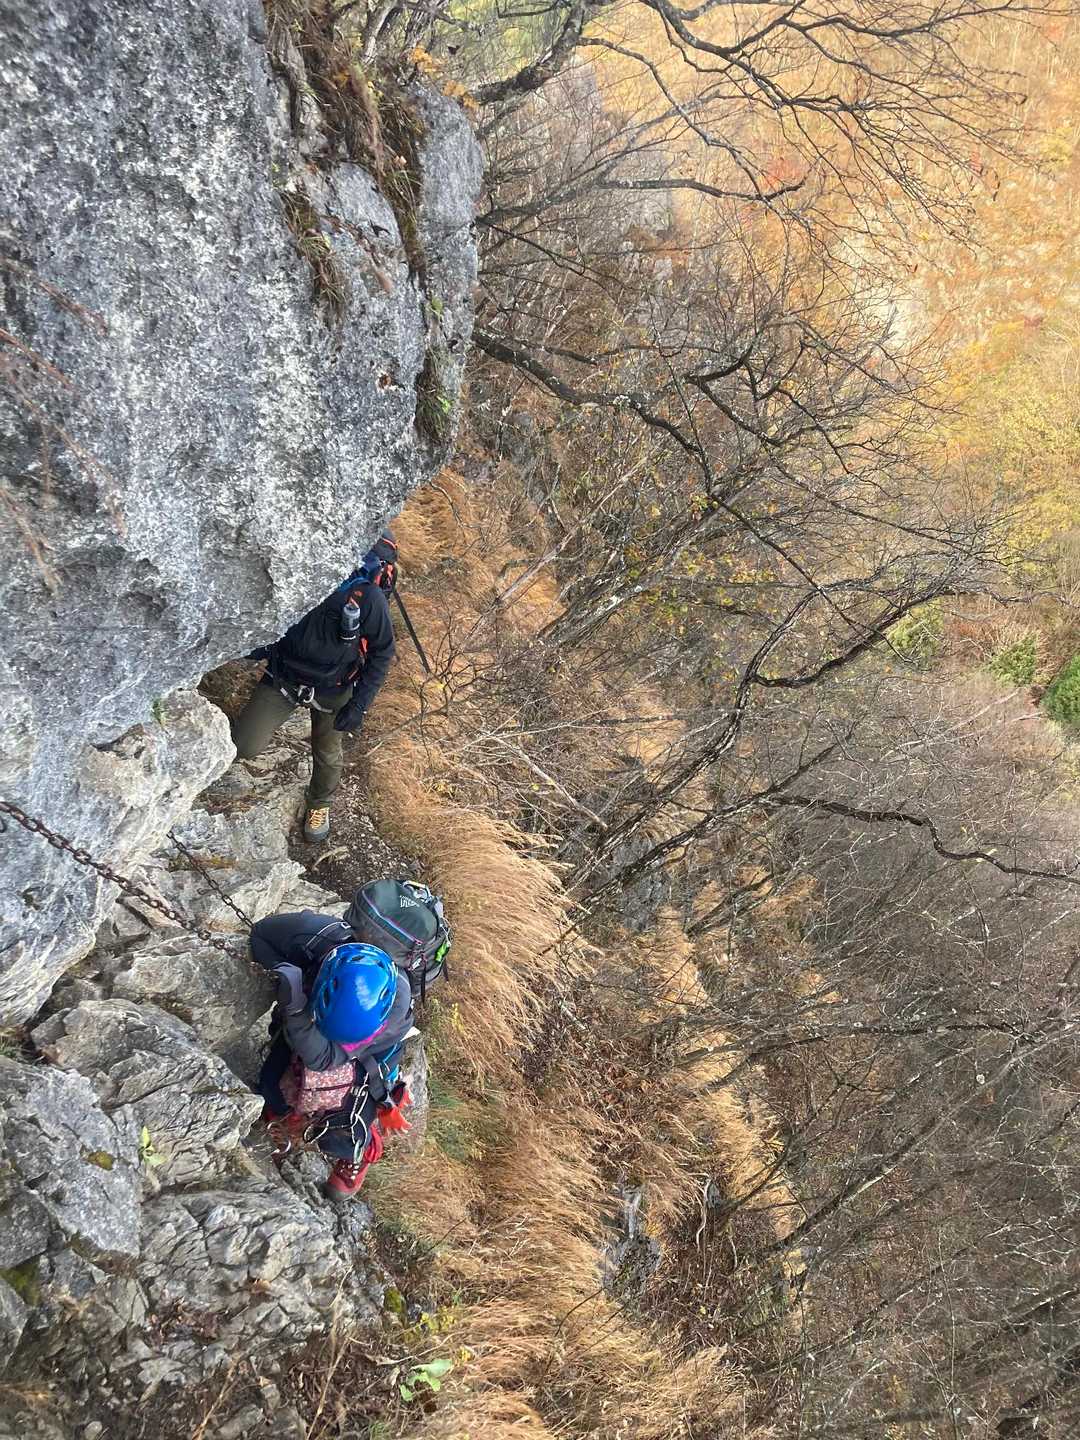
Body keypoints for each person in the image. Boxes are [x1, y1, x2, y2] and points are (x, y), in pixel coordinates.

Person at [231, 536, 398, 842]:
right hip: (284, 676)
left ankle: (319, 803)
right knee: (243, 746)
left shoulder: (367, 596)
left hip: (335, 686)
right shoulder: (296, 573)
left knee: (328, 751)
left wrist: (359, 704)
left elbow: (382, 652)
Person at [249, 902, 415, 1200]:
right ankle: (285, 1114)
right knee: (273, 1085)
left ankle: (357, 1149)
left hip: (361, 1055)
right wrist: (281, 972)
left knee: (344, 1117)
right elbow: (260, 934)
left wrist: (295, 1009)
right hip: (312, 1013)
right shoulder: (314, 936)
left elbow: (325, 1059)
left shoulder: (393, 1013)